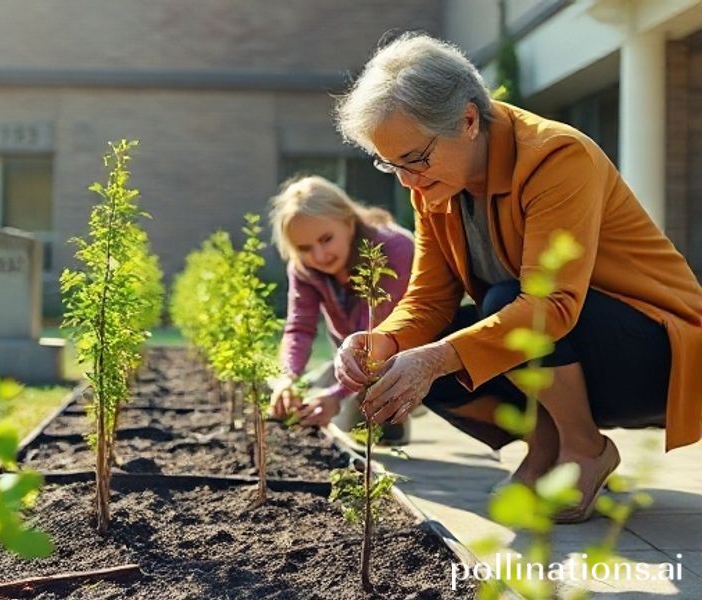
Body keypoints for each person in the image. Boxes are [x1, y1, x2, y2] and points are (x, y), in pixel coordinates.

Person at [332, 32, 702, 523]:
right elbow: (429, 300)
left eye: (415, 159)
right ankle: (545, 443)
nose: (407, 181)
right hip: (569, 351)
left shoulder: (556, 156)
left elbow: (554, 305)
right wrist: (383, 342)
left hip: (658, 354)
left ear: (467, 120)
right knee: (419, 353)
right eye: (390, 164)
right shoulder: (434, 183)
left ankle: (584, 447)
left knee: (501, 307)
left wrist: (438, 358)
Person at [268, 175, 414, 442]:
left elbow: (379, 337)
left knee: (378, 431)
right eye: (304, 248)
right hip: (353, 359)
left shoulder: (395, 250)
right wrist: (287, 379)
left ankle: (407, 402)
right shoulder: (305, 268)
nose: (319, 256)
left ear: (348, 222)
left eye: (326, 239)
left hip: (402, 354)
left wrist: (336, 395)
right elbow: (299, 328)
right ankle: (334, 381)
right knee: (335, 417)